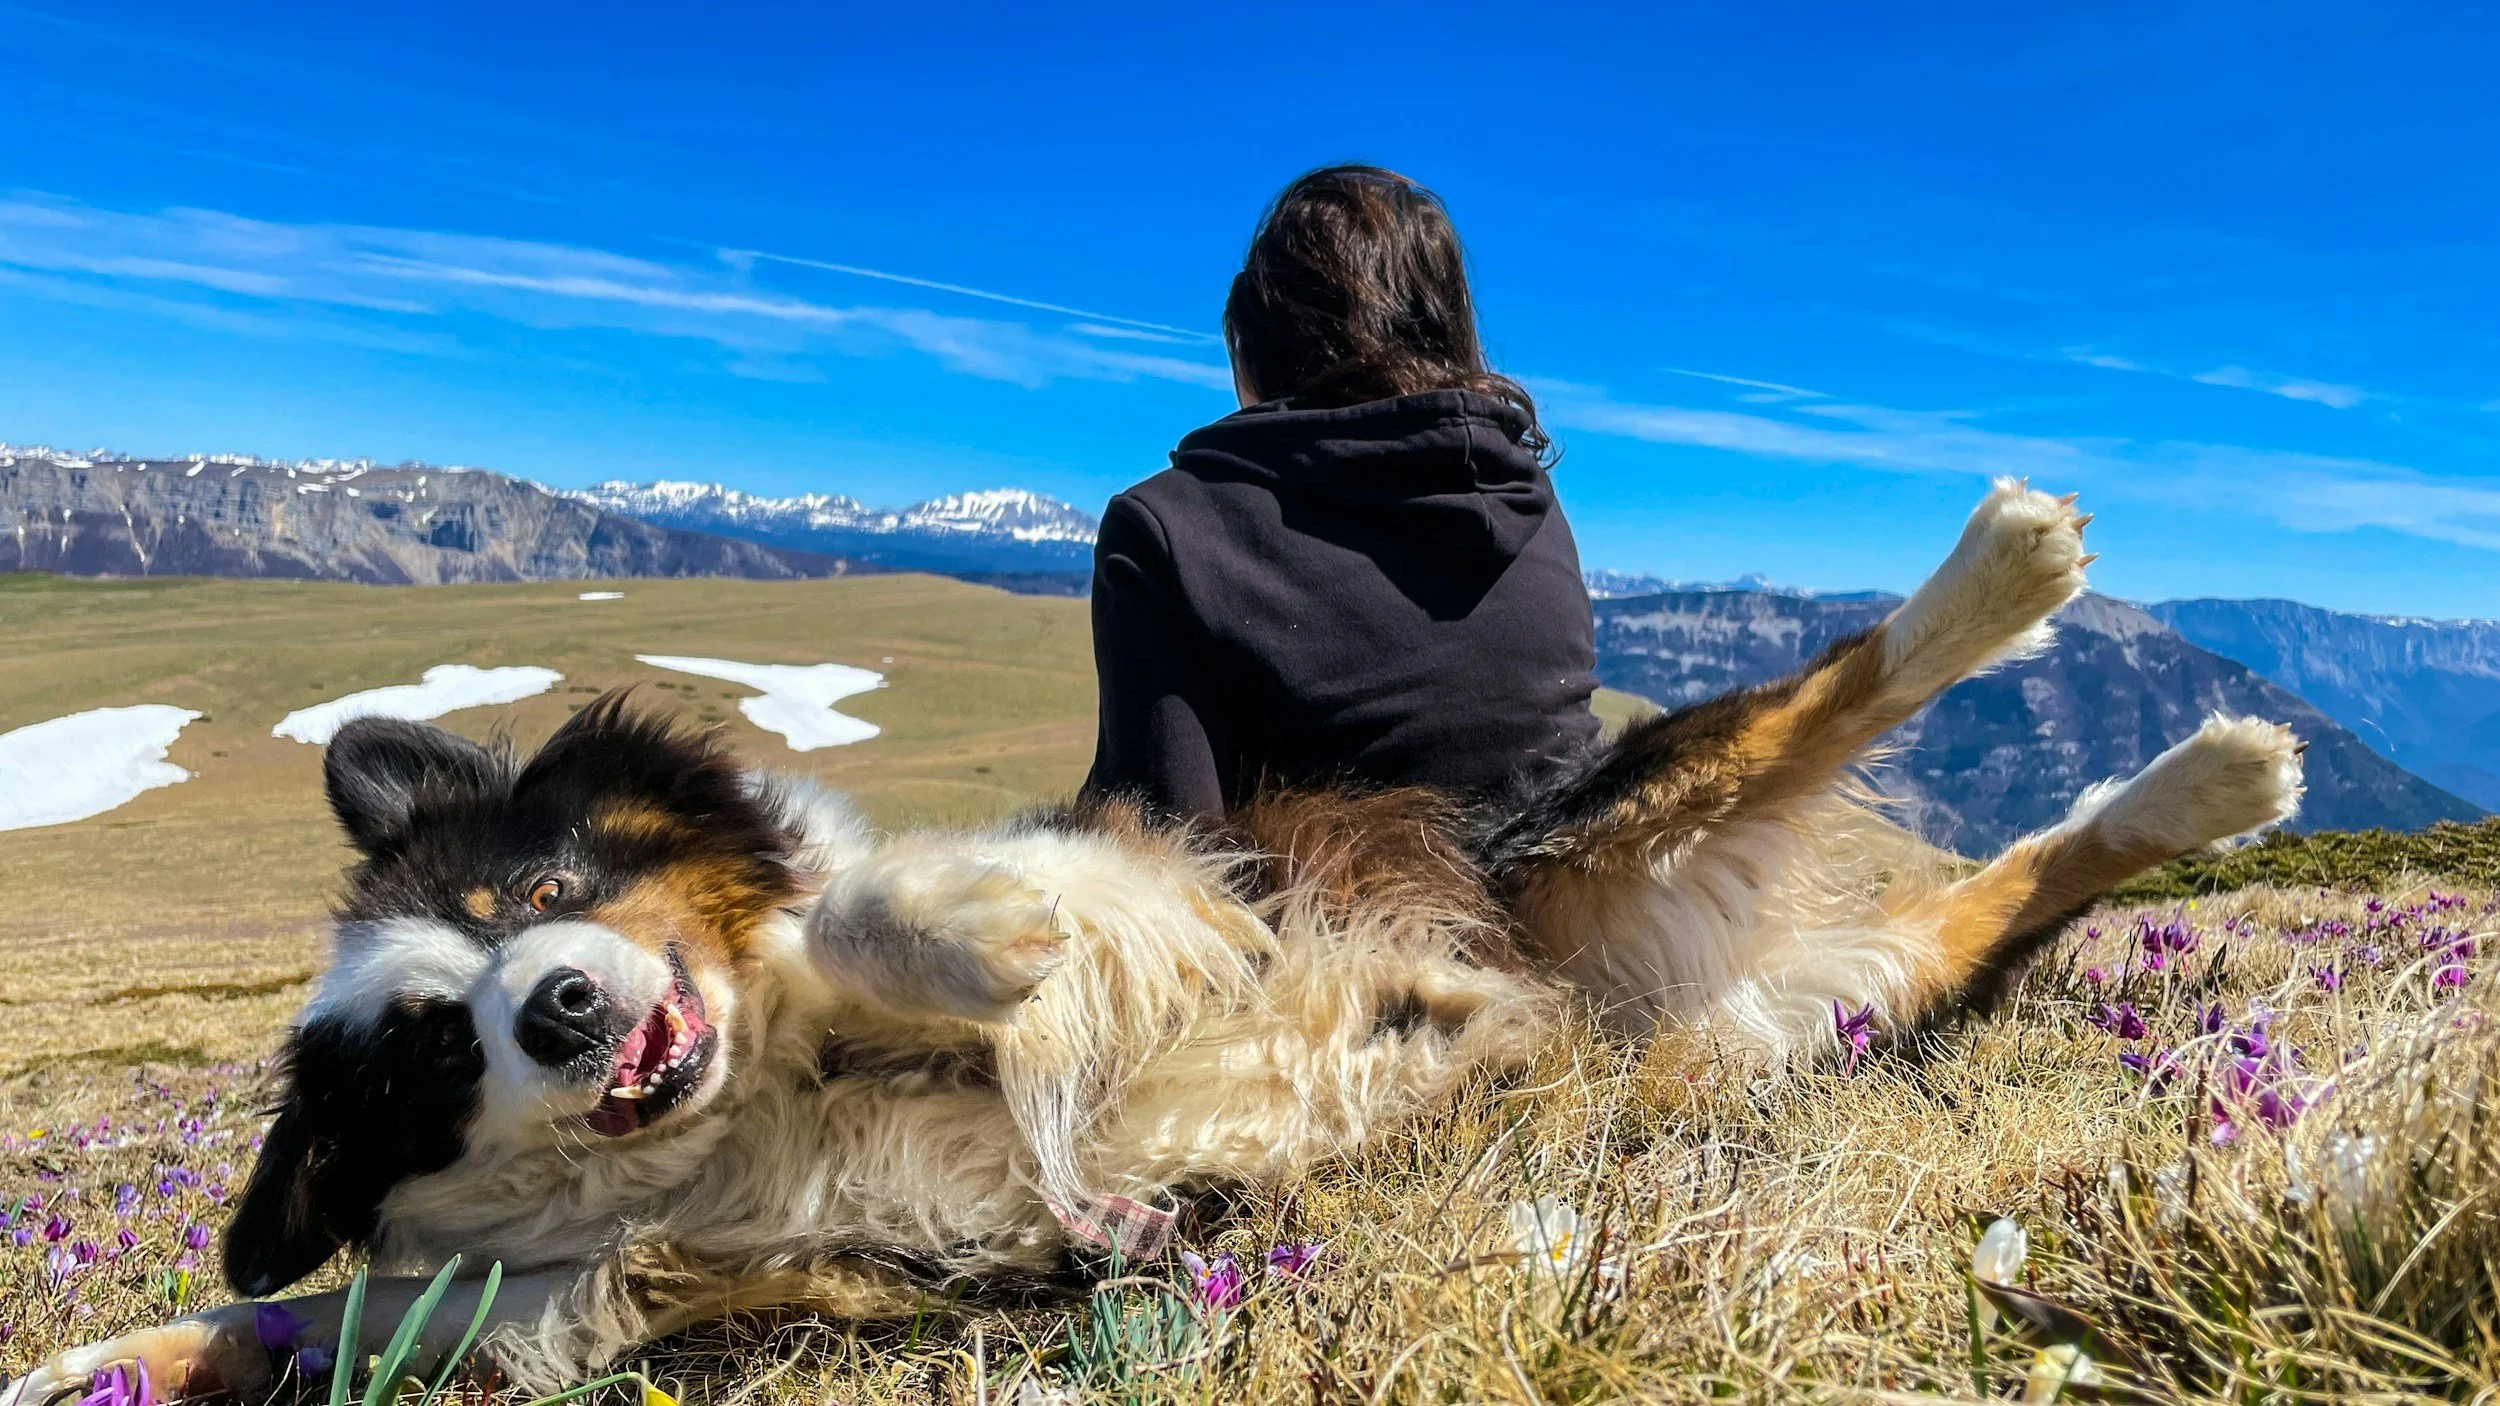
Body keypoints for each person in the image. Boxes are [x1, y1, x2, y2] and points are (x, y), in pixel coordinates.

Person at [1081, 164, 1601, 818]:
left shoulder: (1164, 533)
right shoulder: (1533, 509)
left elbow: (1158, 857)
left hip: (1322, 917)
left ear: (1256, 341)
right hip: (1567, 908)